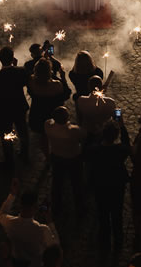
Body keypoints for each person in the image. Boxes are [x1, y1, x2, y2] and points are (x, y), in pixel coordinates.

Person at [84, 119, 130, 250]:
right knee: (117, 215)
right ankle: (118, 241)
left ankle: (104, 241)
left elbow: (86, 150)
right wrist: (123, 127)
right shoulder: (120, 150)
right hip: (117, 187)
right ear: (116, 135)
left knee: (103, 214)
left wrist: (96, 135)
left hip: (100, 186)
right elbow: (127, 145)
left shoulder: (95, 150)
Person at [0, 179, 58, 267]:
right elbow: (55, 246)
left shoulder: (10, 223)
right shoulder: (42, 230)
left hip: (16, 265)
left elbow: (1, 214)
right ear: (35, 207)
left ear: (20, 205)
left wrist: (12, 194)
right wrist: (50, 222)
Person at [0, 47, 30, 166]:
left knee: (5, 134)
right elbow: (24, 82)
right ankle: (25, 155)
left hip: (4, 110)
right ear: (13, 58)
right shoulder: (21, 71)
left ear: (0, 59)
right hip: (19, 107)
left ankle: (9, 161)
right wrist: (16, 67)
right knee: (23, 131)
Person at [45, 106, 85, 218]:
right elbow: (83, 136)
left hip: (56, 156)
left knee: (57, 182)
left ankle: (56, 206)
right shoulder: (73, 130)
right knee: (76, 183)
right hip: (73, 158)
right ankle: (80, 208)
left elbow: (49, 121)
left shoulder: (48, 126)